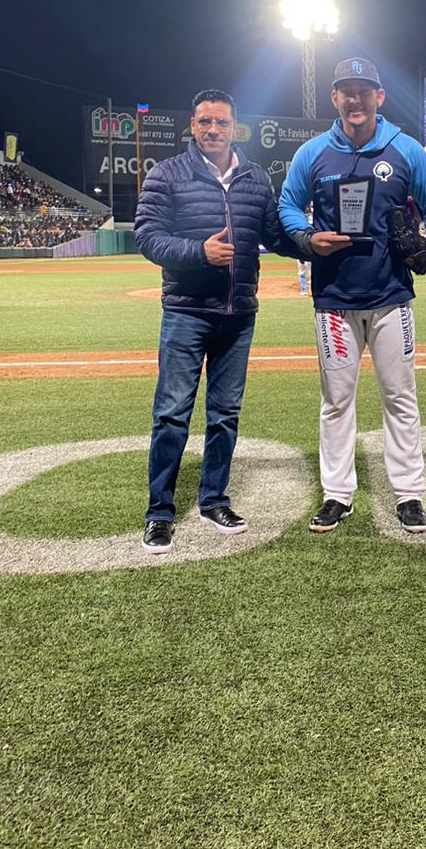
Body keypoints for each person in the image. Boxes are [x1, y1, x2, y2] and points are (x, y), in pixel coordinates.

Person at [279, 57, 426, 535]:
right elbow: (288, 204)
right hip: (334, 299)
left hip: (392, 294)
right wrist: (309, 238)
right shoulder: (312, 153)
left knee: (400, 396)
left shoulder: (404, 149)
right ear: (334, 98)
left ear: (379, 96)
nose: (355, 99)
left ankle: (409, 493)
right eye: (345, 91)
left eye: (364, 90)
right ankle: (337, 494)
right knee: (336, 400)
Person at [134, 89, 297, 554]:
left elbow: (274, 235)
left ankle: (213, 499)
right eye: (204, 121)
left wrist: (312, 240)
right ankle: (159, 512)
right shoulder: (167, 174)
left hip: (239, 314)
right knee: (171, 415)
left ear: (234, 127)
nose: (212, 130)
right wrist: (198, 253)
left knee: (225, 415)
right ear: (192, 125)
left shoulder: (254, 177)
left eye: (221, 122)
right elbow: (147, 237)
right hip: (187, 311)